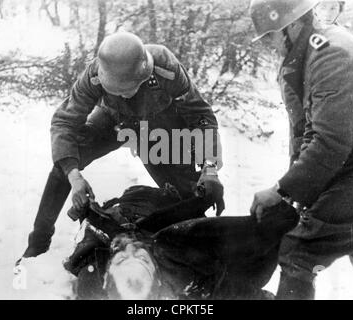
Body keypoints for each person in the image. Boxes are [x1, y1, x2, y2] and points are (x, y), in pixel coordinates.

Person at [22, 32, 224, 259]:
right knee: (66, 161)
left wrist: (209, 166)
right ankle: (38, 242)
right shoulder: (94, 75)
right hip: (115, 119)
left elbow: (201, 116)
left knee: (188, 195)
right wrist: (74, 175)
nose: (125, 95)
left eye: (129, 88)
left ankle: (195, 258)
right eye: (116, 90)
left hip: (160, 124)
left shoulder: (165, 67)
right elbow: (65, 122)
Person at [248, 0, 353, 299]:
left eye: (270, 36)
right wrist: (293, 196)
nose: (269, 45)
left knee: (298, 251)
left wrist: (282, 191)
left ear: (291, 25)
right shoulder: (304, 57)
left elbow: (330, 143)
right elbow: (305, 135)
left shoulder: (331, 54)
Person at [62, 185, 299, 300]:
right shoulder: (178, 267)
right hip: (163, 206)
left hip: (131, 202)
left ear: (107, 272)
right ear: (156, 273)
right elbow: (230, 292)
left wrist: (87, 211)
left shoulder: (93, 280)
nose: (132, 249)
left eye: (121, 257)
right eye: (142, 258)